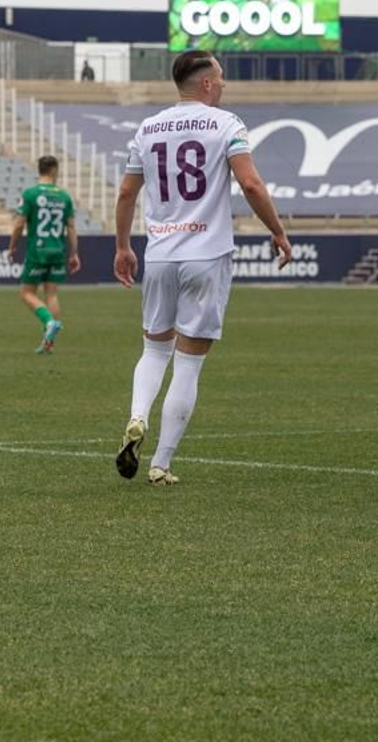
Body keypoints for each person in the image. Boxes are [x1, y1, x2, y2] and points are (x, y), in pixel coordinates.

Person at [111, 51, 291, 486]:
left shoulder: (148, 128)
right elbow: (250, 183)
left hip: (160, 253)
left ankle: (137, 417)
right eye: (221, 77)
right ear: (207, 83)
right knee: (188, 365)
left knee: (154, 350)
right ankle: (161, 463)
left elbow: (126, 194)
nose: (224, 84)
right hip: (206, 255)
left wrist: (122, 247)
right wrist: (278, 231)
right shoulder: (226, 124)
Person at [9, 155, 79, 354]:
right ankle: (49, 343)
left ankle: (49, 322)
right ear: (54, 170)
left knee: (26, 293)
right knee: (51, 293)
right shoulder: (64, 196)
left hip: (37, 250)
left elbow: (19, 223)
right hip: (57, 249)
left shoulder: (31, 194)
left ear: (39, 170)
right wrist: (74, 254)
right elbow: (71, 228)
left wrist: (12, 246)